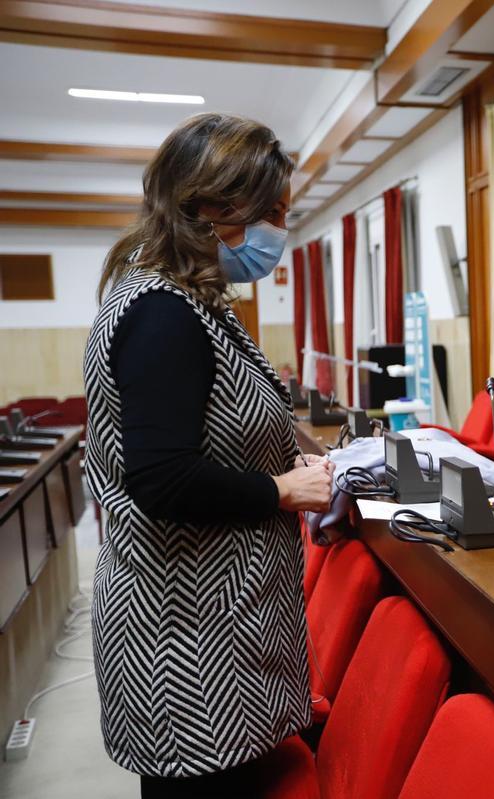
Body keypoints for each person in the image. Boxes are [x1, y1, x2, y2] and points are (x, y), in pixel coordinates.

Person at [84, 113, 333, 796]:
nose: (280, 229)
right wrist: (285, 490)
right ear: (211, 208)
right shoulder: (162, 310)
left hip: (207, 626)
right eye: (271, 212)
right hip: (188, 644)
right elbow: (162, 477)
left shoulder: (185, 299)